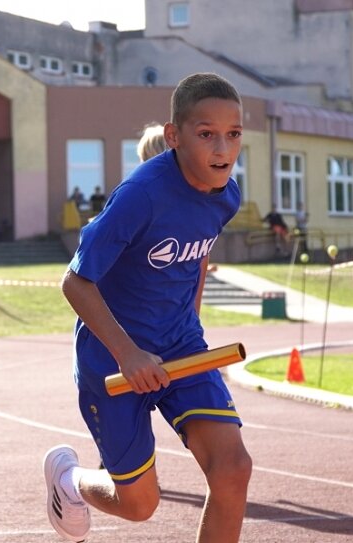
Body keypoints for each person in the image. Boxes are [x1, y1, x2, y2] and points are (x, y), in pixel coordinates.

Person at [44, 73, 251, 542]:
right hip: (112, 358)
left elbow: (198, 256)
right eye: (206, 134)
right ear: (173, 136)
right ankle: (70, 480)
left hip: (181, 348)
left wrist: (189, 323)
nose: (222, 149)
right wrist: (128, 354)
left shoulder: (227, 196)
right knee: (140, 505)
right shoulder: (140, 197)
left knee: (233, 469)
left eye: (233, 135)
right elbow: (75, 282)